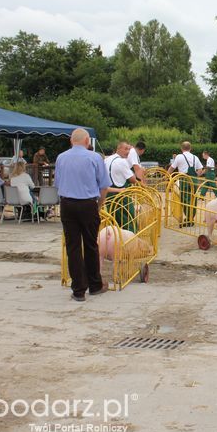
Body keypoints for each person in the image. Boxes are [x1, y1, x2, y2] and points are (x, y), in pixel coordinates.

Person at [55, 128, 112, 302]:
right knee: (90, 245)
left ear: (71, 141)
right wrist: (99, 204)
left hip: (67, 204)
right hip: (88, 204)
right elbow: (104, 186)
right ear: (87, 141)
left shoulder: (61, 158)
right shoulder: (94, 158)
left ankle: (78, 290)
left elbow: (58, 183)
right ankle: (95, 285)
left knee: (73, 247)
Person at [168, 141, 204, 227]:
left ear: (181, 148)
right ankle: (190, 218)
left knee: (185, 200)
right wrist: (196, 176)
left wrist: (166, 176)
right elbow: (200, 170)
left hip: (184, 180)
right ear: (190, 148)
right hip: (194, 180)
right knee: (193, 199)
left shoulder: (179, 157)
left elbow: (172, 168)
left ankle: (189, 219)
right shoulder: (195, 157)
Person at [105, 141, 139, 231]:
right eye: (125, 149)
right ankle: (131, 240)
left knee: (113, 219)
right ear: (118, 149)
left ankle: (115, 241)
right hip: (121, 195)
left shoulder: (107, 159)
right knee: (129, 219)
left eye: (129, 149)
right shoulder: (122, 161)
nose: (128, 151)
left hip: (108, 194)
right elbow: (132, 179)